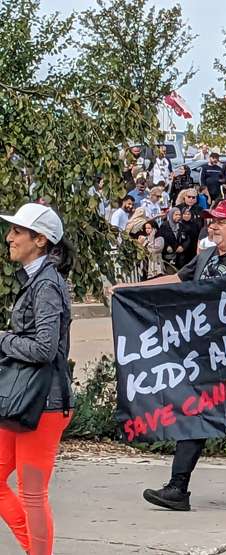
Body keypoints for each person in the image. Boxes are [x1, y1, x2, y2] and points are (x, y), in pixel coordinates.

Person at [118, 200, 226, 513]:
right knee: (195, 415)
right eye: (211, 221)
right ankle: (178, 487)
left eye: (220, 221)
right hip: (206, 357)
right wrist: (132, 289)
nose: (212, 226)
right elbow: (176, 281)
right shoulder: (204, 257)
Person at [0, 203, 74, 555]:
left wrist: (2, 339)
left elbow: (45, 349)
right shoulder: (37, 280)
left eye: (17, 231)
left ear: (40, 239)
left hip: (42, 403)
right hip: (24, 400)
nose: (9, 237)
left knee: (32, 494)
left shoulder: (47, 285)